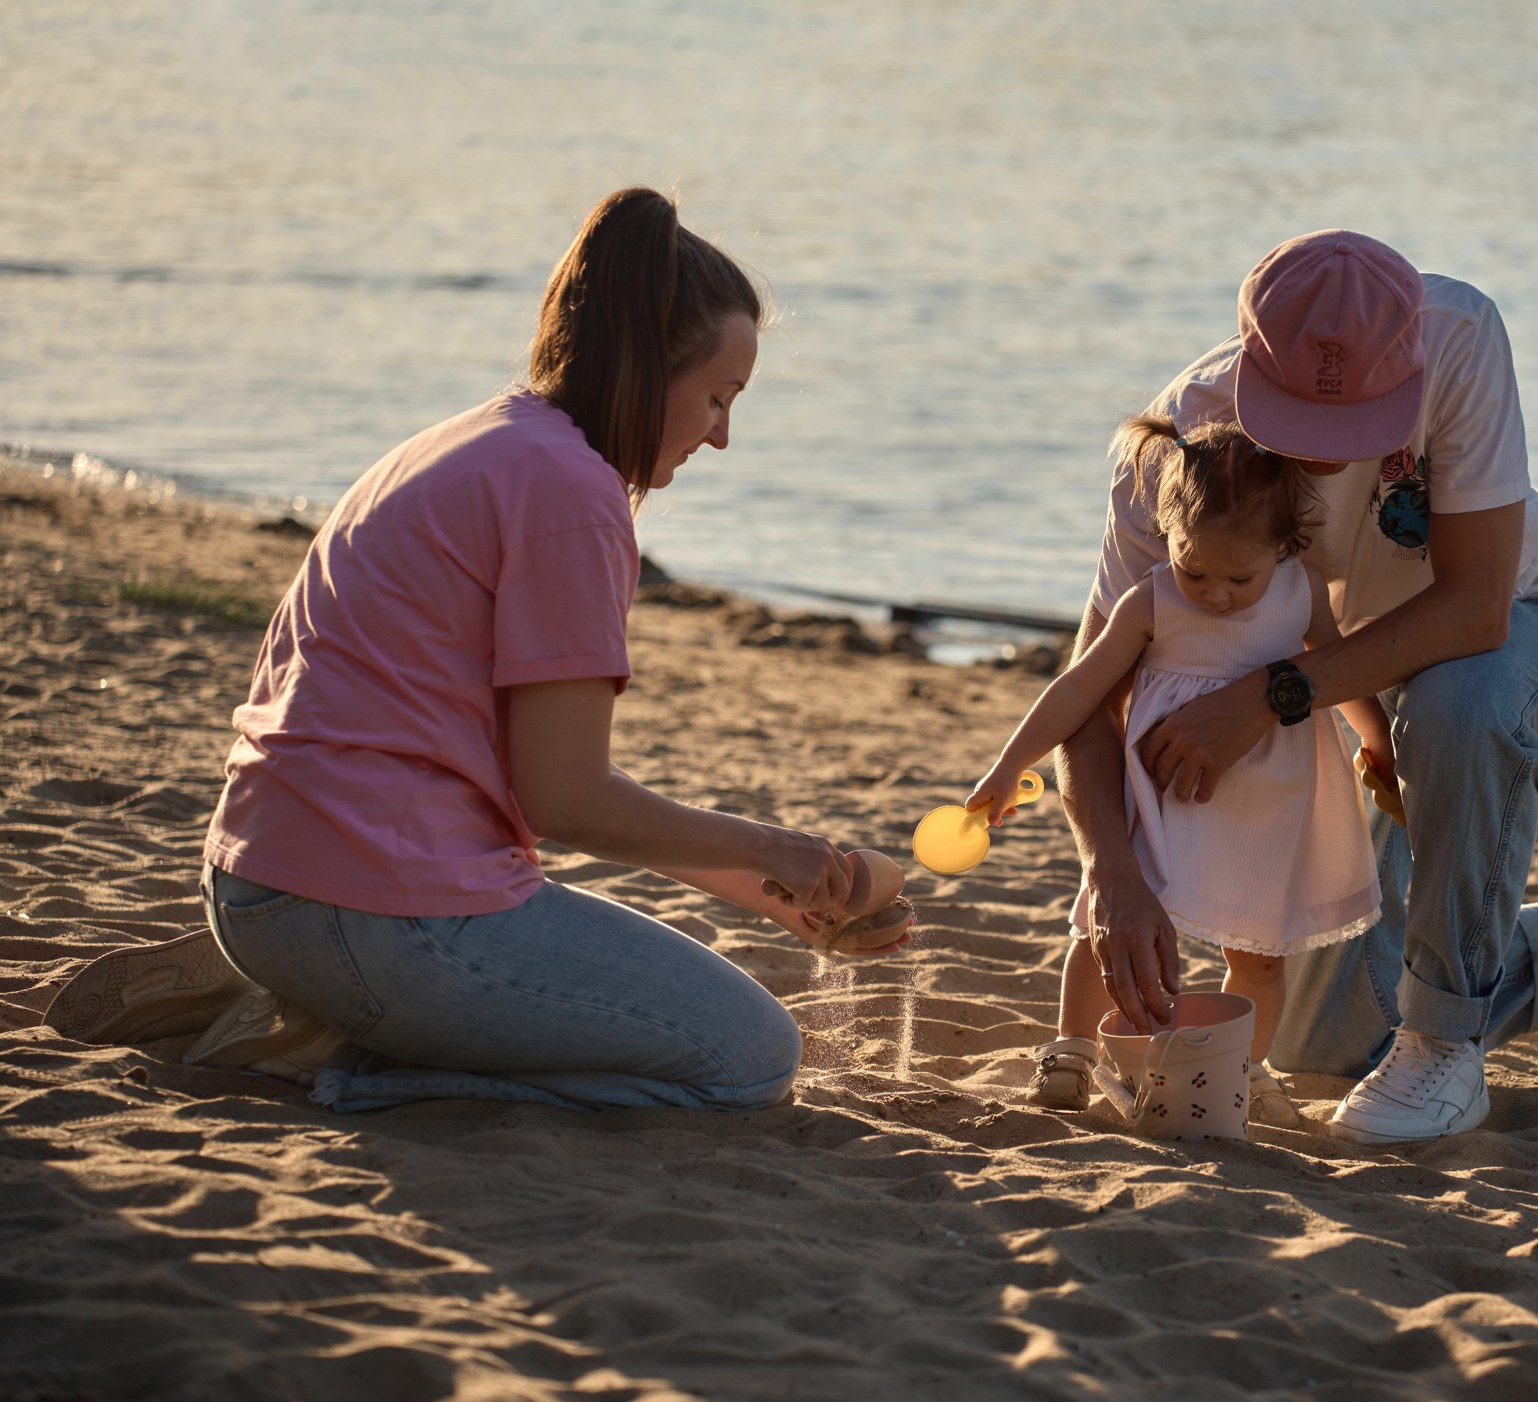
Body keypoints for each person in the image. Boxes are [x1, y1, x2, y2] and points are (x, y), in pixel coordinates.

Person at [42, 188, 911, 1113]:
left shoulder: (475, 443)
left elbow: (529, 792)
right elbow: (567, 801)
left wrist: (781, 887)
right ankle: (336, 1050)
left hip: (254, 885)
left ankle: (293, 990)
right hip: (379, 912)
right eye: (716, 398)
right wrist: (780, 845)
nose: (721, 435)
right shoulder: (570, 495)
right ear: (643, 367)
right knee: (749, 1058)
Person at [1043, 228, 1538, 1142]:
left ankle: (1445, 1044)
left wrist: (1269, 697)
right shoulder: (1183, 445)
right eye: (1297, 421)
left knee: (1456, 704)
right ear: (1249, 359)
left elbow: (1473, 611)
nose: (1321, 454)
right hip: (1339, 673)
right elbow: (1089, 694)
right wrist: (1110, 873)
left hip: (1509, 629)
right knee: (1325, 1039)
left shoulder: (1459, 336)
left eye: (1347, 428)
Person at [966, 416, 1390, 1127]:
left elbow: (1342, 674)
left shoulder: (1301, 593)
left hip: (1267, 802)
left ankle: (1242, 1070)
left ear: (1284, 548)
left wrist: (1383, 747)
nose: (1215, 594)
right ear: (1165, 535)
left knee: (1258, 951)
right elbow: (1078, 689)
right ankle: (1071, 1049)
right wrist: (1010, 764)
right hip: (1156, 791)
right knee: (1104, 926)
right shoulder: (1152, 600)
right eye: (1195, 569)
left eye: (1238, 577)